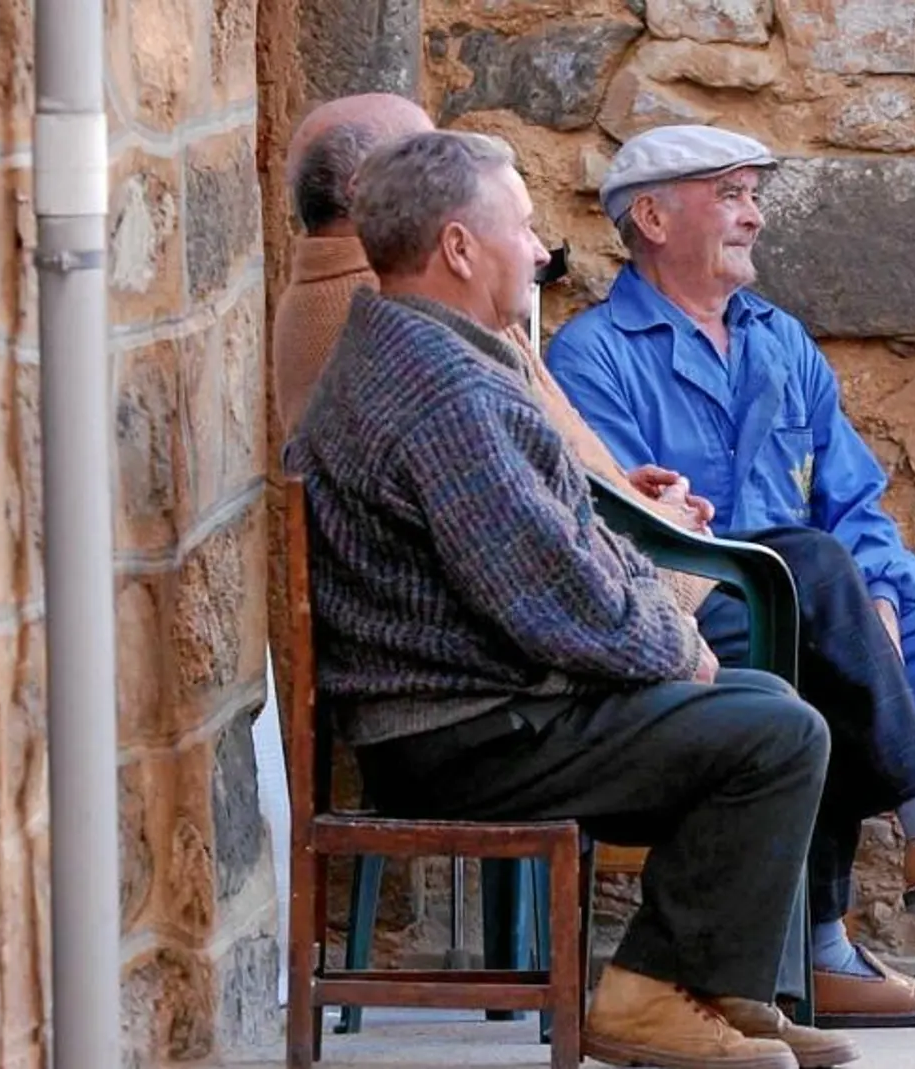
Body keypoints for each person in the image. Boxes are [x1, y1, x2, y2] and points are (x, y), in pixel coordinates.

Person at [283, 128, 856, 1069]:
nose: (543, 250)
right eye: (524, 225)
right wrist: (678, 644)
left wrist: (665, 624)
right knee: (776, 734)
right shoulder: (440, 390)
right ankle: (644, 1000)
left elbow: (576, 540)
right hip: (462, 738)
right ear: (460, 248)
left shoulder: (437, 356)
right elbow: (555, 599)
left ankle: (706, 987)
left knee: (769, 709)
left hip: (477, 715)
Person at [546, 125, 915, 1024]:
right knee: (809, 641)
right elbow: (627, 536)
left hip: (827, 596)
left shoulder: (782, 343)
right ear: (651, 216)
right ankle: (824, 947)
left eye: (754, 193)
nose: (754, 215)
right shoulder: (594, 355)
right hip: (702, 618)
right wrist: (833, 597)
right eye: (730, 193)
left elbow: (856, 503)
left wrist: (877, 595)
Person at [274, 93, 717, 611]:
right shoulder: (405, 328)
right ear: (369, 192)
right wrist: (665, 529)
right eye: (427, 154)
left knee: (803, 570)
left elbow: (524, 470)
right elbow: (531, 556)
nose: (536, 251)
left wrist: (621, 489)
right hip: (593, 607)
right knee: (794, 592)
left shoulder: (367, 304)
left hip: (603, 579)